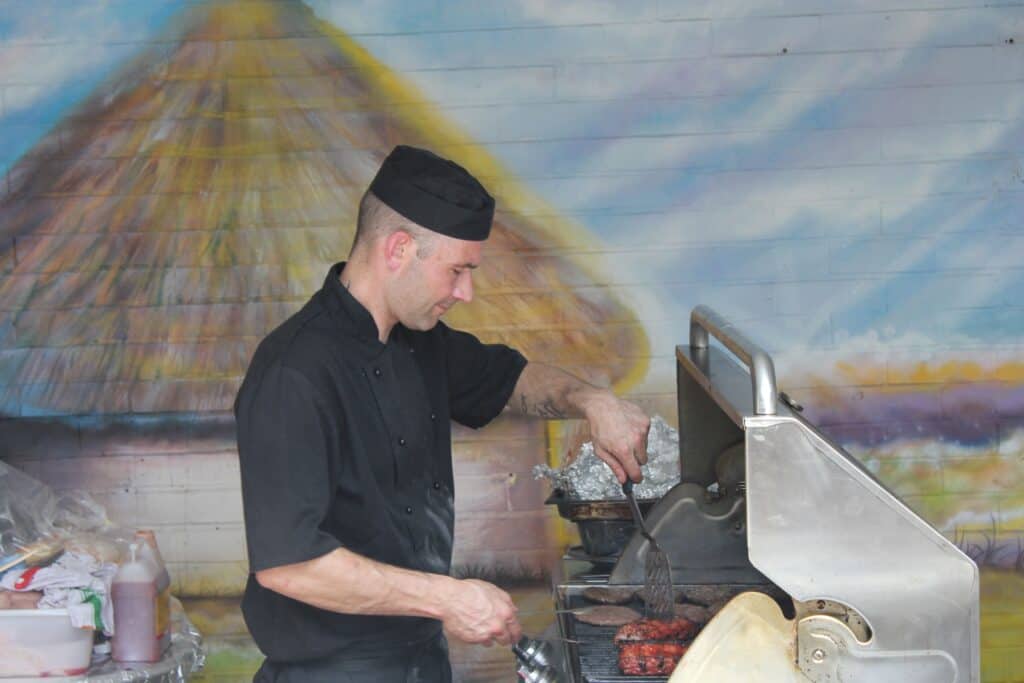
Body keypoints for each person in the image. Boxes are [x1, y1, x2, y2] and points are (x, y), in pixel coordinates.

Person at [235, 145, 650, 682]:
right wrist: (447, 599)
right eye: (457, 271)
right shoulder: (294, 374)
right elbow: (290, 565)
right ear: (399, 249)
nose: (466, 292)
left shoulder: (419, 341)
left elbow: (512, 379)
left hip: (420, 661)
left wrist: (592, 400)